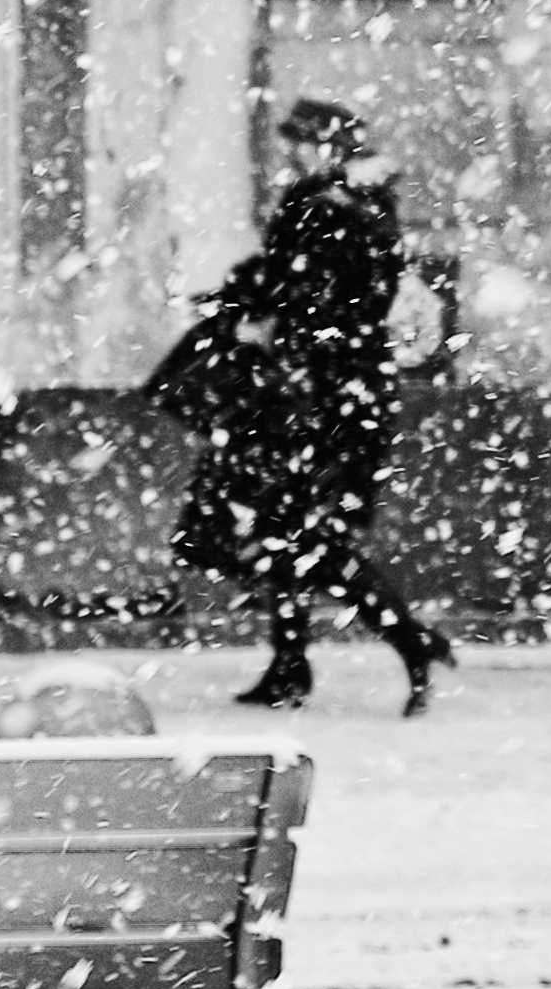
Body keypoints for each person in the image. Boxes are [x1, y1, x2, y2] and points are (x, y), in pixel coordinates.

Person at [154, 97, 455, 718]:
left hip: (322, 398)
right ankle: (297, 664)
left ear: (329, 145)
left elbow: (305, 291)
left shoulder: (328, 206)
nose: (289, 151)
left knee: (304, 540)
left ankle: (403, 642)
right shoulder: (358, 205)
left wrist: (243, 304)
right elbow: (310, 288)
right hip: (334, 394)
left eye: (299, 140)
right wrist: (246, 300)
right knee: (288, 535)